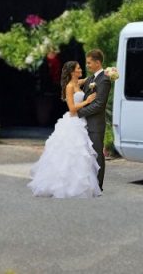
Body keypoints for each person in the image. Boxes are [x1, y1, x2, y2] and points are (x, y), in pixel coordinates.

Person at [27, 61, 101, 198]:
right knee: (69, 154)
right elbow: (72, 109)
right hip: (73, 122)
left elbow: (92, 78)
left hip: (81, 121)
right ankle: (63, 185)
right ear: (72, 71)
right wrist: (87, 101)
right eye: (78, 68)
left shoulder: (78, 83)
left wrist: (105, 72)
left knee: (81, 155)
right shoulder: (69, 87)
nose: (81, 69)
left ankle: (79, 185)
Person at [78, 49, 112, 190]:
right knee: (87, 155)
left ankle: (98, 185)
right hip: (85, 124)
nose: (87, 66)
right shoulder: (91, 79)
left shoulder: (104, 79)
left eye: (89, 63)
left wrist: (80, 112)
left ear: (98, 63)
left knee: (97, 155)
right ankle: (88, 182)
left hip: (95, 125)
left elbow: (99, 105)